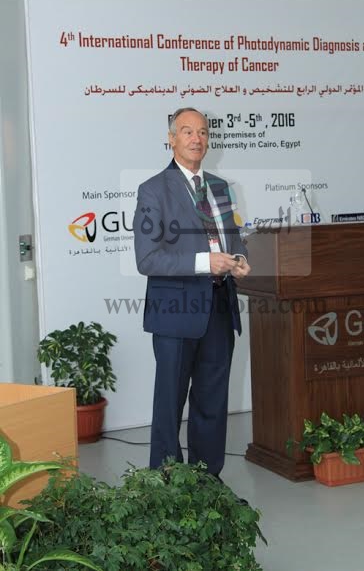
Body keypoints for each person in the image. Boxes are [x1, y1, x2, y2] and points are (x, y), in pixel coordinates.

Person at [133, 107, 251, 477]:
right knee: (170, 404)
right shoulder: (153, 189)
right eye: (187, 131)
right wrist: (205, 262)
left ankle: (206, 482)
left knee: (212, 402)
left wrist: (239, 259)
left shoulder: (220, 187)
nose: (196, 139)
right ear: (171, 139)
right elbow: (147, 259)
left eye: (202, 132)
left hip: (219, 306)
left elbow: (232, 239)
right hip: (175, 312)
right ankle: (167, 485)